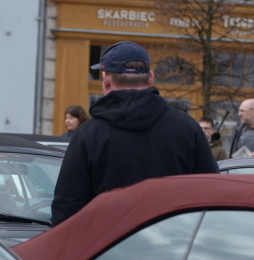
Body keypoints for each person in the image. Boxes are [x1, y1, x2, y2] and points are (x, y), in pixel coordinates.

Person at [51, 41, 218, 225]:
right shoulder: (188, 128)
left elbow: (67, 209)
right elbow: (212, 195)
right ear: (150, 78)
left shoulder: (87, 135)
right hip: (175, 247)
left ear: (106, 80)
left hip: (106, 249)